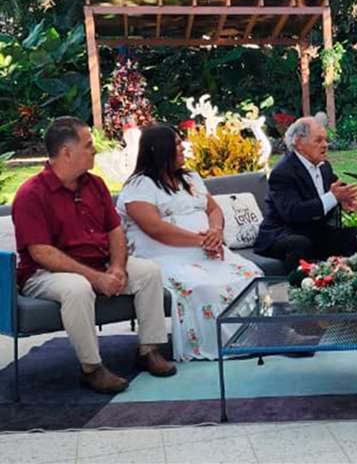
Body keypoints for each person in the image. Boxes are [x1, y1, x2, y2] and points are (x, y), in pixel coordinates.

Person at [12, 117, 175, 394]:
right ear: (67, 152)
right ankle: (92, 368)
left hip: (99, 263)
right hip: (45, 273)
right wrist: (97, 278)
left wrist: (118, 268)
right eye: (88, 145)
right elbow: (41, 252)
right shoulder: (31, 194)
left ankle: (149, 350)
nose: (95, 150)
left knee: (148, 272)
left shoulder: (95, 185)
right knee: (77, 288)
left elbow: (115, 231)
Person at [116, 125, 264, 361]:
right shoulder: (139, 186)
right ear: (160, 149)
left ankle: (258, 336)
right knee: (206, 286)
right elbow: (155, 228)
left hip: (207, 251)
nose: (183, 147)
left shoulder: (190, 178)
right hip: (165, 256)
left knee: (251, 275)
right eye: (176, 143)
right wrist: (202, 240)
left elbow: (213, 209)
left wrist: (216, 231)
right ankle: (225, 343)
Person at [253, 116, 357, 271]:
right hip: (282, 234)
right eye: (318, 140)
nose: (325, 145)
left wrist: (344, 200)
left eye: (326, 140)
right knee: (299, 243)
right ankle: (297, 286)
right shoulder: (283, 172)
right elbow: (293, 212)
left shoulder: (324, 166)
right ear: (299, 143)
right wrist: (334, 197)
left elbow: (335, 191)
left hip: (315, 232)